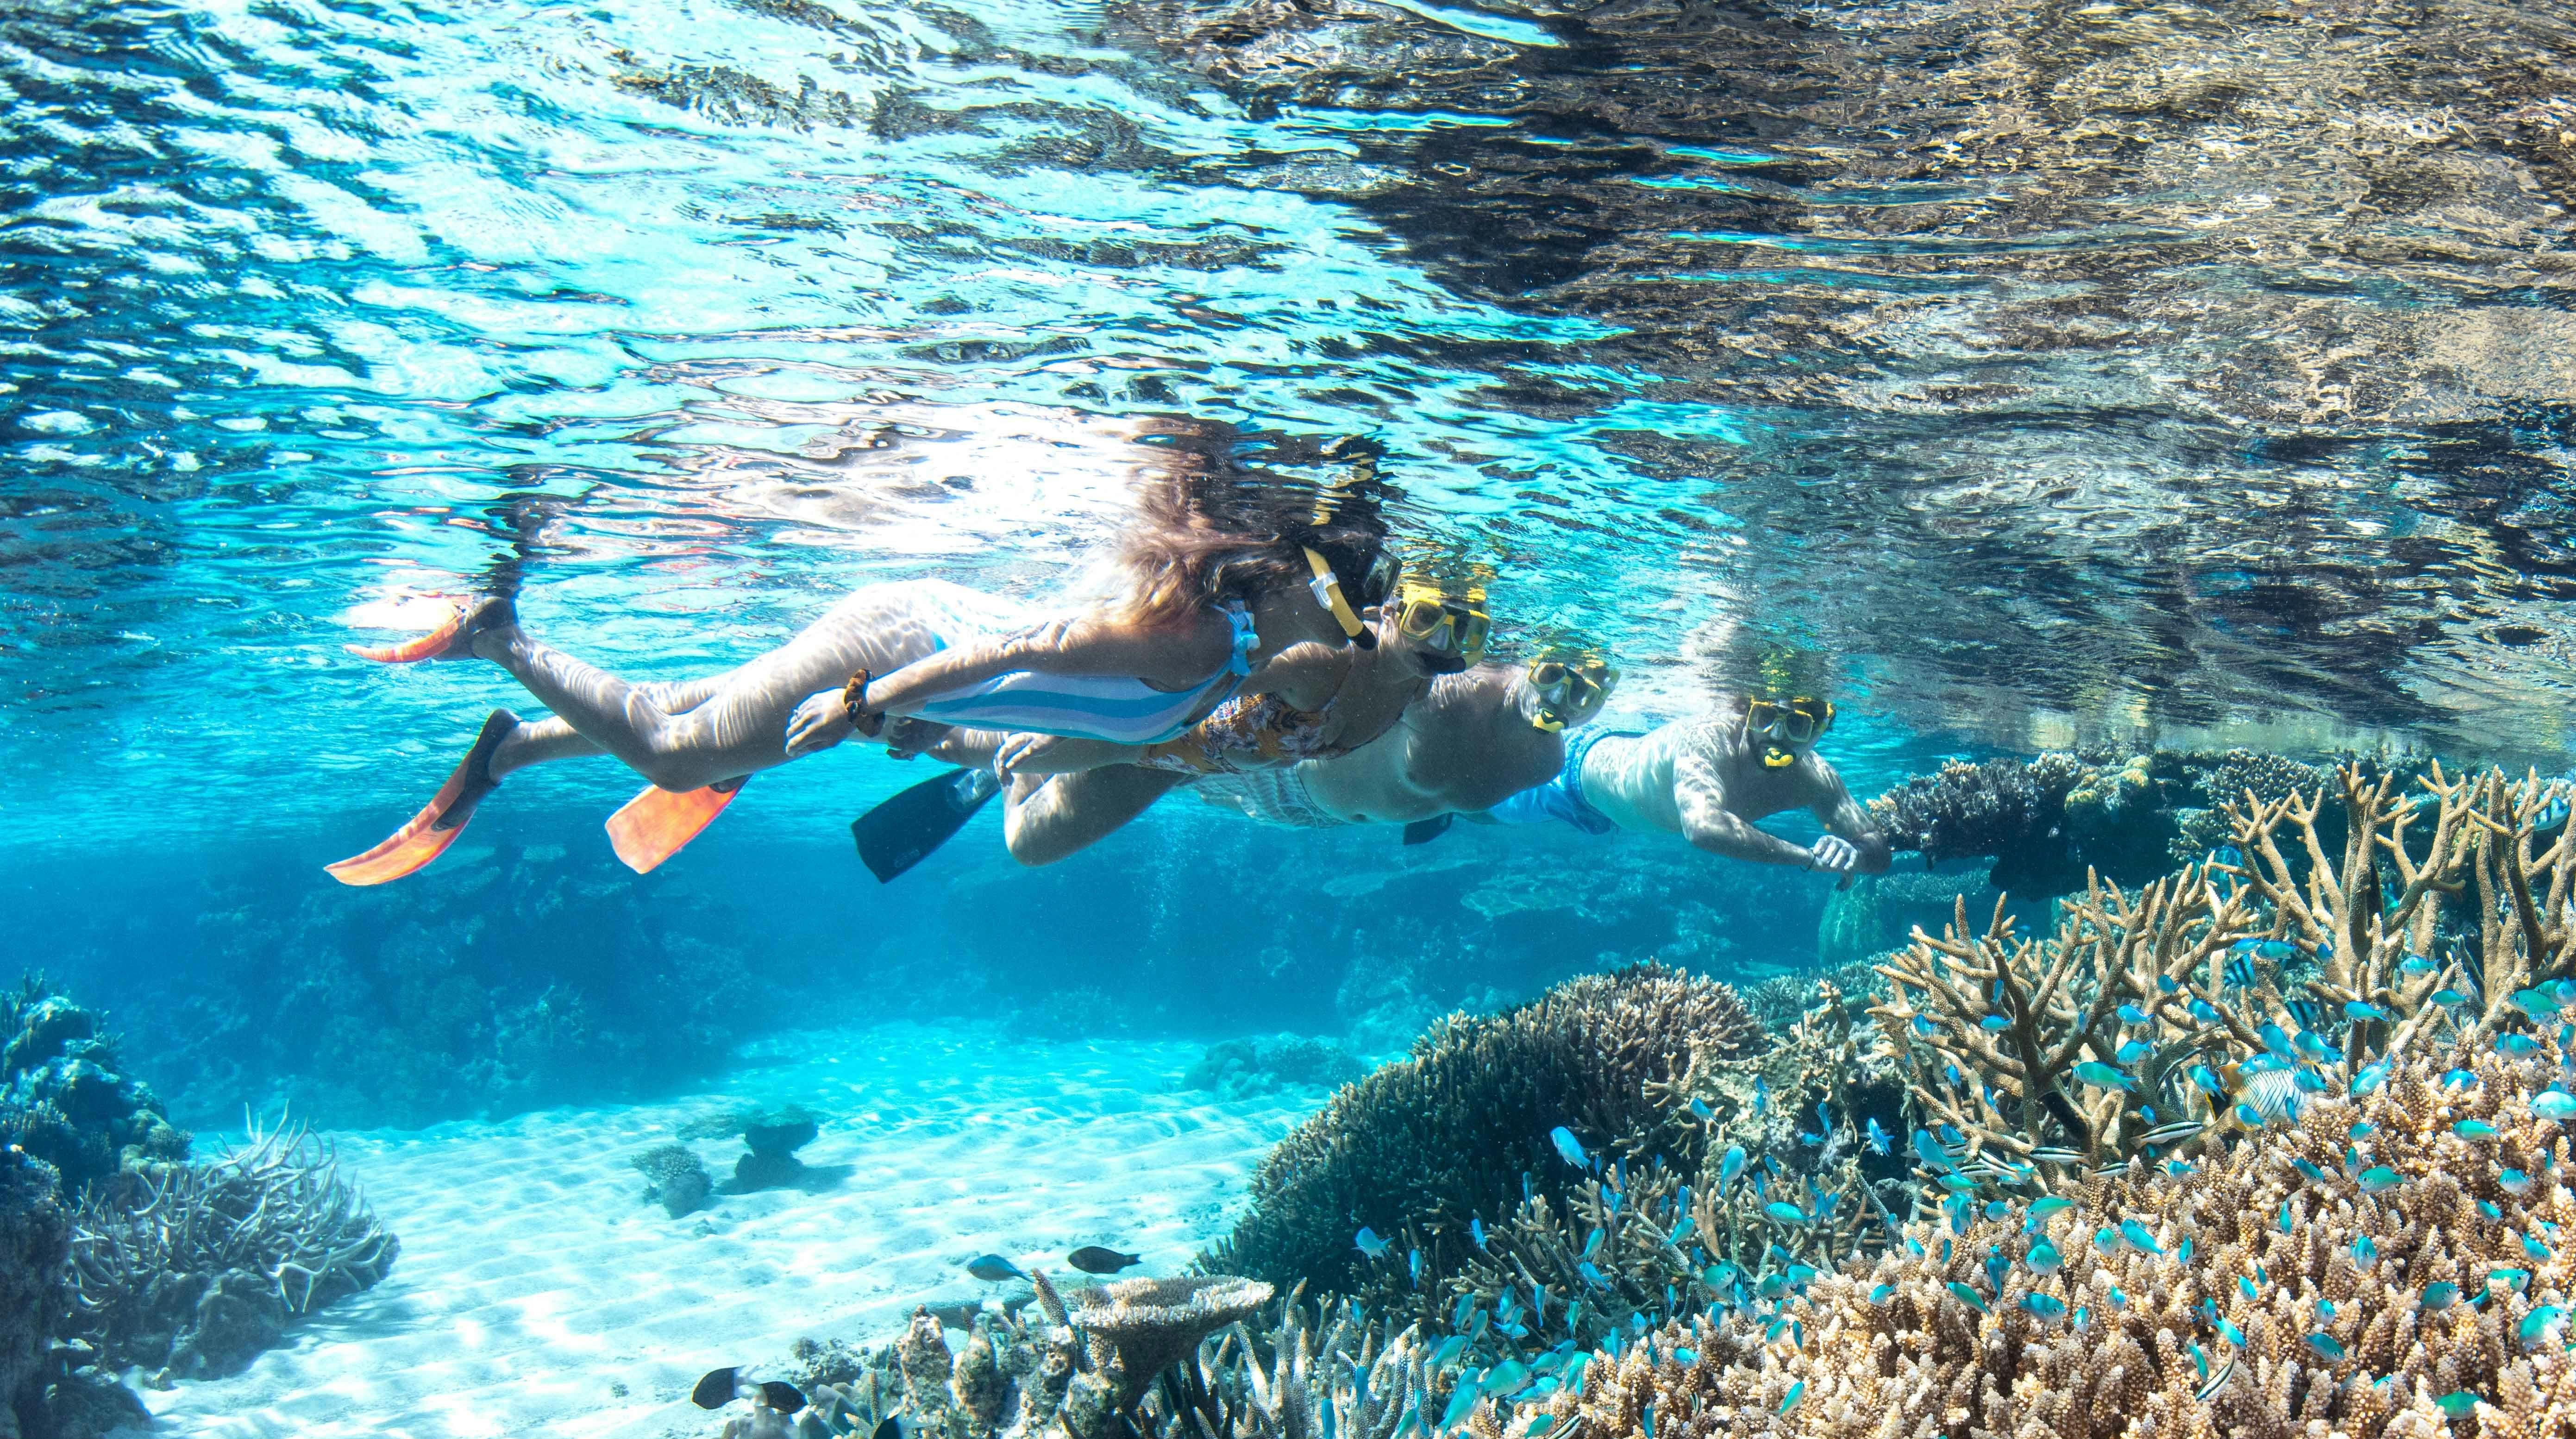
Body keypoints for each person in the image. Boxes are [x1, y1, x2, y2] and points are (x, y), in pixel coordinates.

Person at [332, 424, 1438, 883]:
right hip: (901, 635)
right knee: (677, 750)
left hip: (923, 664)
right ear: (1296, 577)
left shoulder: (1237, 670)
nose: (1348, 643)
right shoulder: (1198, 633)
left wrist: (950, 734)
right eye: (1349, 614)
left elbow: (1072, 715)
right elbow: (1035, 644)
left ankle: (514, 751)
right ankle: (498, 634)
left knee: (718, 721)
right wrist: (877, 697)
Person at [879, 637, 1611, 868]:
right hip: (1243, 763)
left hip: (1297, 812)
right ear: (1526, 655)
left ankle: (998, 739)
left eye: (1590, 689)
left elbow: (1455, 792)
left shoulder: (1546, 762)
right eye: (1555, 672)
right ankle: (962, 731)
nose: (1565, 698)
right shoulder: (1448, 686)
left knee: (1062, 812)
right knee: (1028, 842)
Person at [1485, 690, 1890, 874]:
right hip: (1568, 776)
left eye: (1798, 726)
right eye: (1765, 718)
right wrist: (1807, 857)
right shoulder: (1709, 739)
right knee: (1472, 807)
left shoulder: (1817, 778)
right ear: (1748, 713)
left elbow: (1877, 848)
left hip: (1611, 814)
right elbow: (1702, 828)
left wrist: (1854, 852)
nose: (1776, 736)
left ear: (1819, 732)